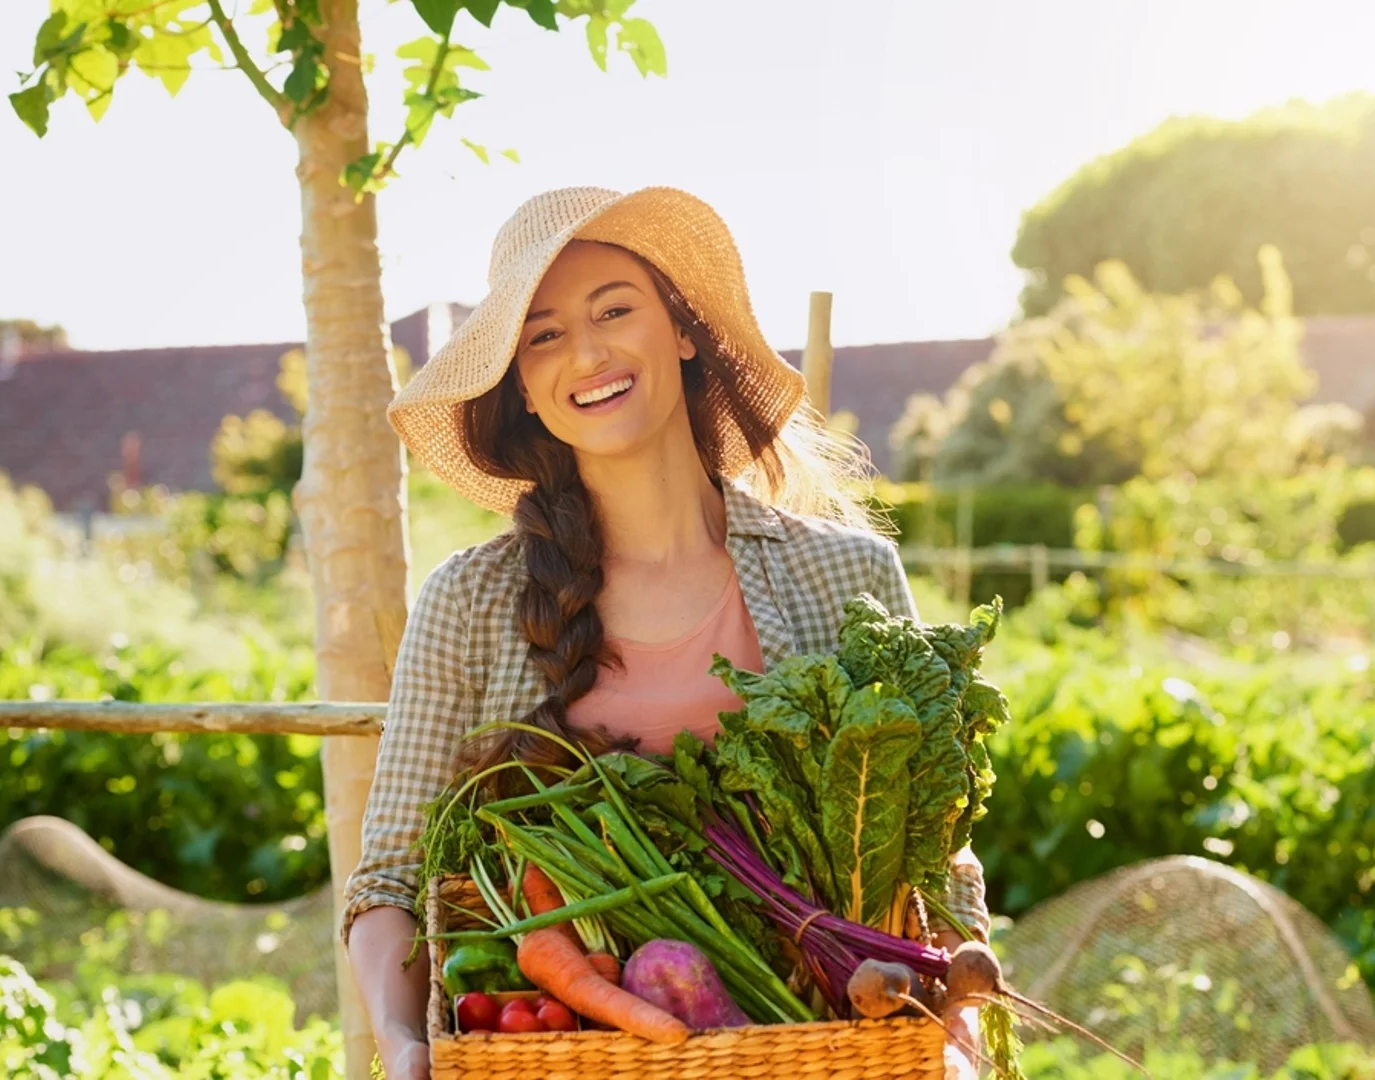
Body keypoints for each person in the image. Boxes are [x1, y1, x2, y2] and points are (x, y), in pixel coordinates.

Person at [342, 186, 992, 1080]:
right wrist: (401, 1040)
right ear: (525, 389)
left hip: (828, 1048)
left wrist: (957, 1034)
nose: (588, 350)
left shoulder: (844, 575)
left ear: (683, 332)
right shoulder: (471, 601)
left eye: (615, 309)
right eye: (544, 335)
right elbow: (388, 881)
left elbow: (934, 849)